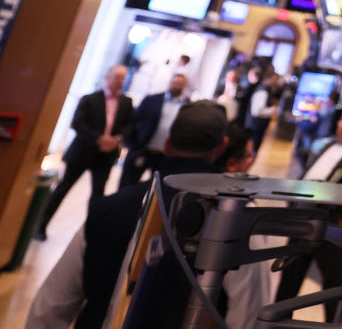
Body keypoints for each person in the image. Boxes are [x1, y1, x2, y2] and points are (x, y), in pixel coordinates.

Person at [27, 100, 231, 329]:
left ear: (167, 144)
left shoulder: (110, 207)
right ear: (222, 147)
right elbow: (244, 314)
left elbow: (49, 310)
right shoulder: (235, 222)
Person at [274, 108, 342, 319]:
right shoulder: (331, 144)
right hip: (303, 215)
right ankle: (277, 319)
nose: (338, 123)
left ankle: (333, 323)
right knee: (291, 274)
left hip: (330, 222)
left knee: (333, 281)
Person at [35, 65, 134, 240]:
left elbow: (129, 125)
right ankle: (41, 227)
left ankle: (90, 235)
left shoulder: (126, 102)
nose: (120, 81)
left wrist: (116, 140)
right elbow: (78, 124)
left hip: (106, 155)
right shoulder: (90, 99)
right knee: (62, 190)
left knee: (98, 196)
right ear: (108, 76)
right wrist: (99, 139)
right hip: (82, 152)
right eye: (117, 77)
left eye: (123, 78)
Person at [119, 73, 190, 187]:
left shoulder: (187, 106)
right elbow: (133, 121)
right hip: (142, 149)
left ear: (184, 85)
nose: (176, 86)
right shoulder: (152, 100)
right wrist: (130, 143)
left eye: (180, 84)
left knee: (158, 189)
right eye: (175, 82)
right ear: (170, 82)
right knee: (127, 184)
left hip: (165, 156)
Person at [245, 70, 282, 152]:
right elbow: (257, 111)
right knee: (251, 151)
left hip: (256, 128)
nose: (277, 82)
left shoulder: (265, 90)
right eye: (276, 79)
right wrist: (274, 110)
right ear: (270, 78)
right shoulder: (262, 91)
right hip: (255, 128)